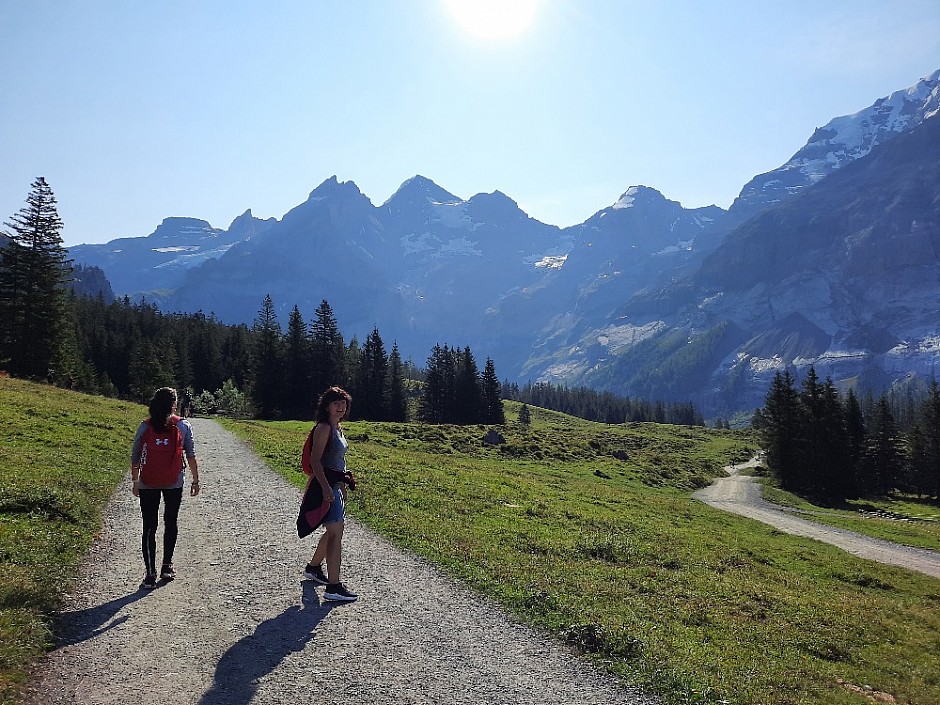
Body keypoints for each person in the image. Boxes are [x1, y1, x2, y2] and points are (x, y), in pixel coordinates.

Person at [131, 387, 200, 590]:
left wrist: (135, 481)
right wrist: (195, 480)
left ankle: (150, 575)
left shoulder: (144, 426)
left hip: (148, 481)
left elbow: (135, 456)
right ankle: (167, 566)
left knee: (149, 526)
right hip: (174, 481)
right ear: (174, 404)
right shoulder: (183, 425)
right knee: (171, 521)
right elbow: (191, 455)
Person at [301, 386, 358, 602]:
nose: (340, 406)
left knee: (333, 530)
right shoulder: (324, 428)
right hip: (325, 486)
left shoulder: (338, 427)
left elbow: (337, 461)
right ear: (326, 406)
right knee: (336, 532)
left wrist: (342, 483)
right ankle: (333, 587)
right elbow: (316, 461)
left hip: (335, 486)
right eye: (336, 403)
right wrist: (326, 488)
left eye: (343, 403)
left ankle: (313, 568)